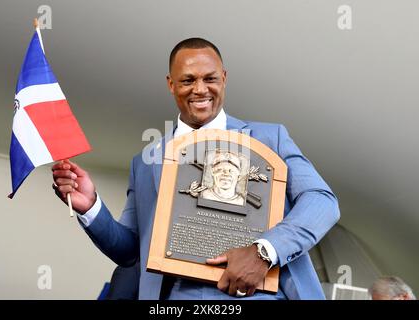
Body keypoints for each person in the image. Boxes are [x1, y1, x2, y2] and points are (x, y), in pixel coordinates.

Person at [52, 38, 340, 300]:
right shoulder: (146, 161)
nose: (200, 89)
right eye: (188, 80)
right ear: (171, 84)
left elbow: (321, 201)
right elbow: (130, 251)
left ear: (224, 78)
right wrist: (90, 206)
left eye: (210, 78)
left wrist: (263, 252)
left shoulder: (270, 138)